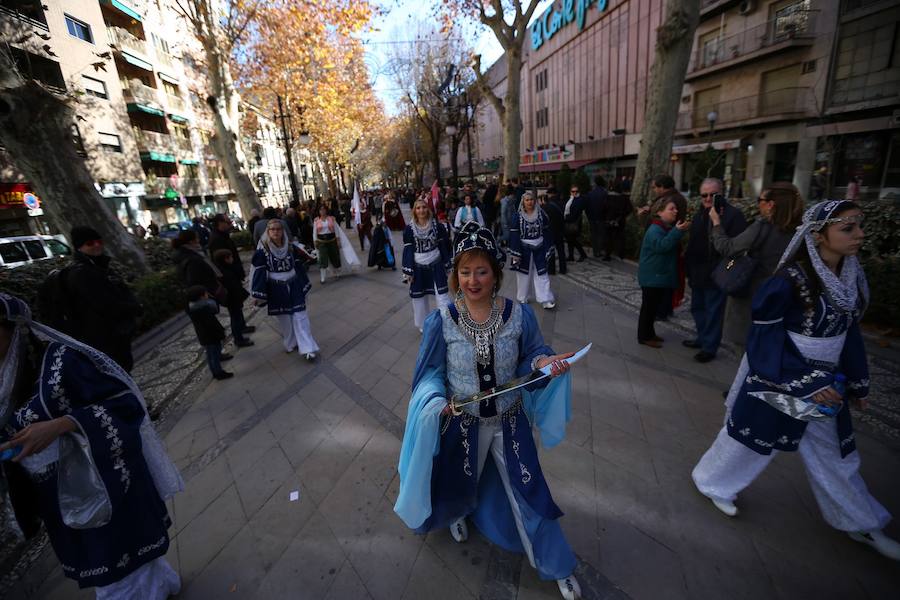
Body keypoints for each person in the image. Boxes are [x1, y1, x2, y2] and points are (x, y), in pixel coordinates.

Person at [691, 200, 900, 562]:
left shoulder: (851, 278)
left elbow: (848, 334)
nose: (859, 235)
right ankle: (712, 482)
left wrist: (858, 382)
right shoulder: (788, 280)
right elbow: (764, 337)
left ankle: (861, 522)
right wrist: (806, 381)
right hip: (780, 374)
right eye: (847, 228)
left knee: (836, 455)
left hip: (828, 382)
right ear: (818, 235)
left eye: (858, 226)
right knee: (751, 440)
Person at [393, 221, 583, 600]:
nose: (473, 280)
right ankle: (456, 516)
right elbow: (429, 373)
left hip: (510, 423)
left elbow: (532, 354)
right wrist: (434, 401)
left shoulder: (519, 315)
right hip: (462, 424)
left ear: (495, 273)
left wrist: (544, 363)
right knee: (457, 481)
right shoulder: (441, 321)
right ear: (455, 275)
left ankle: (557, 565)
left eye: (481, 271)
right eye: (465, 272)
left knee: (529, 490)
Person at [0, 293, 183, 598]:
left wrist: (61, 425)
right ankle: (161, 587)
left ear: (14, 327)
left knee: (117, 564)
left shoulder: (61, 361)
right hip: (55, 495)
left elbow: (124, 405)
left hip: (101, 480)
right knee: (109, 562)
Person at [709, 182, 803, 350]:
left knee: (747, 349)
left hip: (752, 297)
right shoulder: (801, 232)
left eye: (760, 200)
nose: (758, 204)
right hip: (781, 299)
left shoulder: (762, 227)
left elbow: (727, 248)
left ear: (770, 204)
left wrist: (716, 223)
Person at [53, 226, 143, 372]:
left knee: (123, 371)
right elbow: (105, 304)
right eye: (90, 243)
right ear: (79, 247)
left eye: (99, 241)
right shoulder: (82, 273)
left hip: (112, 335)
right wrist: (135, 308)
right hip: (102, 338)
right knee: (117, 374)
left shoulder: (97, 266)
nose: (96, 245)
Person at [683, 179, 747, 363]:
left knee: (713, 311)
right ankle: (702, 338)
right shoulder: (700, 213)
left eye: (713, 194)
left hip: (718, 273)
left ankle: (709, 347)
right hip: (698, 271)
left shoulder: (733, 215)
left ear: (721, 193)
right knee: (697, 307)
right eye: (704, 195)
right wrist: (688, 267)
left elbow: (737, 248)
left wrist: (726, 269)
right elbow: (694, 242)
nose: (708, 198)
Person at [251, 220, 320, 361]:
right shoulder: (262, 252)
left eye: (278, 229)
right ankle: (291, 342)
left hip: (294, 285)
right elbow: (259, 273)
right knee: (285, 320)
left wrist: (304, 283)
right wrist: (258, 294)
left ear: (282, 231)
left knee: (301, 316)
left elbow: (299, 266)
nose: (276, 232)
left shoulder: (291, 247)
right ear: (268, 232)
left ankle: (308, 348)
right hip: (276, 289)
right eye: (272, 229)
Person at [637, 199, 689, 348]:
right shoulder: (655, 229)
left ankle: (650, 333)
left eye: (675, 208)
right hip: (652, 277)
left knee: (653, 307)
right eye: (671, 209)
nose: (675, 211)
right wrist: (677, 232)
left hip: (657, 276)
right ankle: (644, 336)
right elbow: (662, 246)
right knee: (648, 308)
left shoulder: (664, 227)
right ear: (660, 212)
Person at [402, 199, 452, 332]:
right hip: (418, 266)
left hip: (436, 263)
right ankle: (423, 325)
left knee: (442, 294)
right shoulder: (409, 229)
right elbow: (408, 250)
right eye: (418, 208)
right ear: (414, 211)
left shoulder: (437, 226)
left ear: (428, 209)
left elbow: (443, 246)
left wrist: (448, 264)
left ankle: (447, 321)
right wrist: (408, 270)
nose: (421, 210)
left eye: (424, 207)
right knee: (419, 298)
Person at [208, 214, 255, 344]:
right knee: (234, 308)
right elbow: (221, 260)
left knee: (237, 306)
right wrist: (232, 271)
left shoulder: (222, 235)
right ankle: (238, 338)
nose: (230, 224)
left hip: (232, 275)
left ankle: (242, 327)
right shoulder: (216, 239)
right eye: (227, 222)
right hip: (228, 278)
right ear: (220, 223)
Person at [510, 192, 556, 309]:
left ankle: (545, 299)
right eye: (527, 200)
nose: (530, 202)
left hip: (539, 247)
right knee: (523, 275)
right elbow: (514, 235)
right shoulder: (517, 216)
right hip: (524, 249)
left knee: (542, 273)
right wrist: (515, 253)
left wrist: (548, 247)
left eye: (531, 199)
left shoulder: (541, 215)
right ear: (523, 202)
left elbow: (546, 231)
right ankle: (522, 297)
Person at [186, 284, 233, 380]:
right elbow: (212, 323)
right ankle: (218, 373)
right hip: (212, 336)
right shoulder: (204, 308)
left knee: (210, 355)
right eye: (206, 293)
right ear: (201, 297)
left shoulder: (192, 307)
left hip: (204, 336)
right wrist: (221, 333)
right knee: (214, 355)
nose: (207, 294)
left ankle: (215, 372)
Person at [212, 248, 254, 348]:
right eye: (230, 257)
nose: (232, 259)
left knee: (237, 317)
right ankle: (238, 339)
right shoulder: (225, 272)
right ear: (225, 259)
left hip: (233, 299)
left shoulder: (225, 269)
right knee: (236, 319)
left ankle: (240, 334)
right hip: (232, 299)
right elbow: (233, 287)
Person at [598, 187, 632, 261]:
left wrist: (604, 218)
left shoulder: (608, 197)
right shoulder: (624, 198)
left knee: (608, 237)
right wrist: (622, 215)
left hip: (609, 220)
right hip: (620, 221)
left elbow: (603, 208)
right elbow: (629, 209)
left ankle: (607, 255)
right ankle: (621, 254)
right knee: (620, 237)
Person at [541, 190, 567, 275]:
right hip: (560, 230)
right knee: (561, 251)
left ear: (550, 195)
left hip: (550, 232)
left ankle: (551, 270)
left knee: (551, 251)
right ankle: (563, 269)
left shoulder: (546, 206)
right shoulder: (562, 204)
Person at [584, 175, 609, 258]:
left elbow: (586, 206)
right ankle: (600, 250)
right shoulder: (604, 193)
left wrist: (588, 216)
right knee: (601, 234)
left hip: (592, 217)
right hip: (601, 217)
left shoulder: (590, 193)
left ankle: (596, 251)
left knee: (594, 234)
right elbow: (606, 206)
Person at [563, 184, 587, 262]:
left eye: (576, 191)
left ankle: (583, 254)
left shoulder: (579, 200)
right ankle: (571, 256)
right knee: (569, 240)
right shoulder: (570, 199)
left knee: (573, 240)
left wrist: (566, 218)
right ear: (570, 192)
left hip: (574, 222)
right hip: (568, 222)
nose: (575, 193)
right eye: (573, 191)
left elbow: (576, 213)